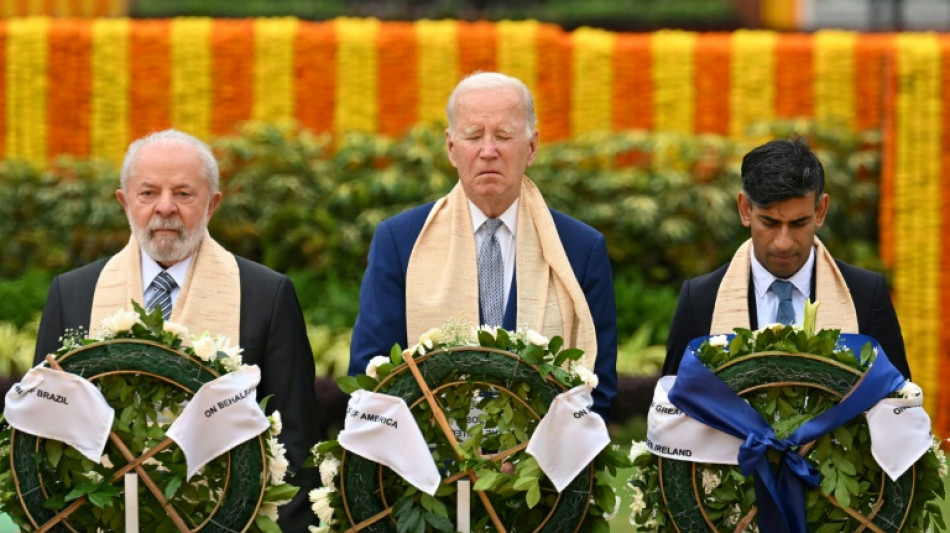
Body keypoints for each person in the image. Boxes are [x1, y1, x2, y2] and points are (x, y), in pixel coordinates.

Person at [33, 129, 319, 530]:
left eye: (184, 194)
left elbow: (295, 436)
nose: (165, 208)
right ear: (124, 201)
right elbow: (43, 430)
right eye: (148, 193)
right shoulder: (73, 293)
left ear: (212, 204)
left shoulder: (266, 294)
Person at [348, 71, 618, 419]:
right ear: (451, 148)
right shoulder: (400, 242)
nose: (488, 151)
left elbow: (600, 390)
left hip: (543, 470)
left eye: (504, 136)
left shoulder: (580, 249)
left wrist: (532, 461)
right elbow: (371, 379)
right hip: (427, 468)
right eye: (473, 136)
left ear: (532, 147)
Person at [662, 137, 911, 378]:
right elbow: (671, 408)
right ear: (745, 209)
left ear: (820, 211)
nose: (783, 243)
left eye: (799, 223)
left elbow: (900, 404)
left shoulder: (866, 296)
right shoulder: (700, 300)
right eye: (769, 222)